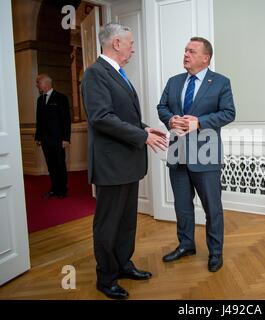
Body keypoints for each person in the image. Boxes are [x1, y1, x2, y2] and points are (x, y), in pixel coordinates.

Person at [81, 23, 168, 299]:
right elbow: (102, 118)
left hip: (127, 163)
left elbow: (123, 116)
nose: (132, 48)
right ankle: (106, 277)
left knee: (127, 222)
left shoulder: (118, 73)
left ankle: (123, 265)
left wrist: (143, 129)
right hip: (110, 165)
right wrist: (141, 137)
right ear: (116, 43)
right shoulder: (95, 74)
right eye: (130, 43)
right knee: (108, 224)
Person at [157, 37, 235, 272]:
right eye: (185, 50)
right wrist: (170, 119)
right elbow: (162, 107)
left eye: (191, 51)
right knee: (182, 205)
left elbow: (229, 113)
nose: (186, 54)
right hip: (178, 151)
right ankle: (186, 245)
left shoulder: (220, 82)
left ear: (205, 57)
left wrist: (199, 123)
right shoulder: (174, 82)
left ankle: (216, 253)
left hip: (207, 153)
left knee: (212, 208)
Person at [35, 74, 71, 199]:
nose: (37, 85)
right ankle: (54, 188)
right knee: (51, 166)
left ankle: (62, 190)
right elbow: (39, 120)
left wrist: (66, 138)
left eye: (38, 82)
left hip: (58, 140)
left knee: (60, 164)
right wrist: (38, 137)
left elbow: (66, 120)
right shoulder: (40, 100)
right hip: (45, 140)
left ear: (46, 83)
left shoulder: (61, 98)